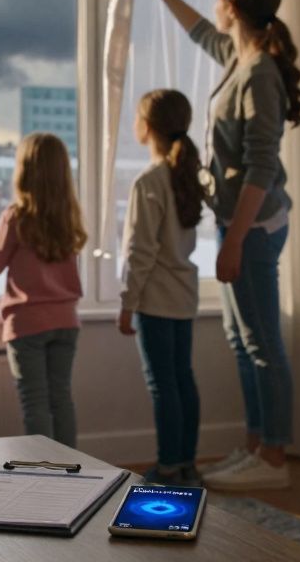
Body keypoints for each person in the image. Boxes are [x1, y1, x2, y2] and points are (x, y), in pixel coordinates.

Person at [131, 0, 300, 491]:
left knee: (262, 344)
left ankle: (273, 456)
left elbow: (261, 167)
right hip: (237, 224)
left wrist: (234, 242)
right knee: (240, 338)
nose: (213, 7)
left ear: (233, 5)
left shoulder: (260, 75)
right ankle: (255, 445)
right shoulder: (238, 55)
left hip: (254, 227)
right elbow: (198, 30)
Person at [0, 133, 86, 448]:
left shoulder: (17, 216)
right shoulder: (68, 217)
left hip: (27, 325)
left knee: (35, 403)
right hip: (66, 322)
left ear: (24, 171)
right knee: (61, 398)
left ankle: (43, 469)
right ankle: (72, 468)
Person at [117, 89, 204, 484]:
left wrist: (127, 303)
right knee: (182, 379)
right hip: (184, 297)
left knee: (163, 384)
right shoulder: (185, 176)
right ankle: (186, 463)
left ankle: (168, 466)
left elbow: (140, 251)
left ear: (147, 126)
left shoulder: (149, 181)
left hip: (155, 300)